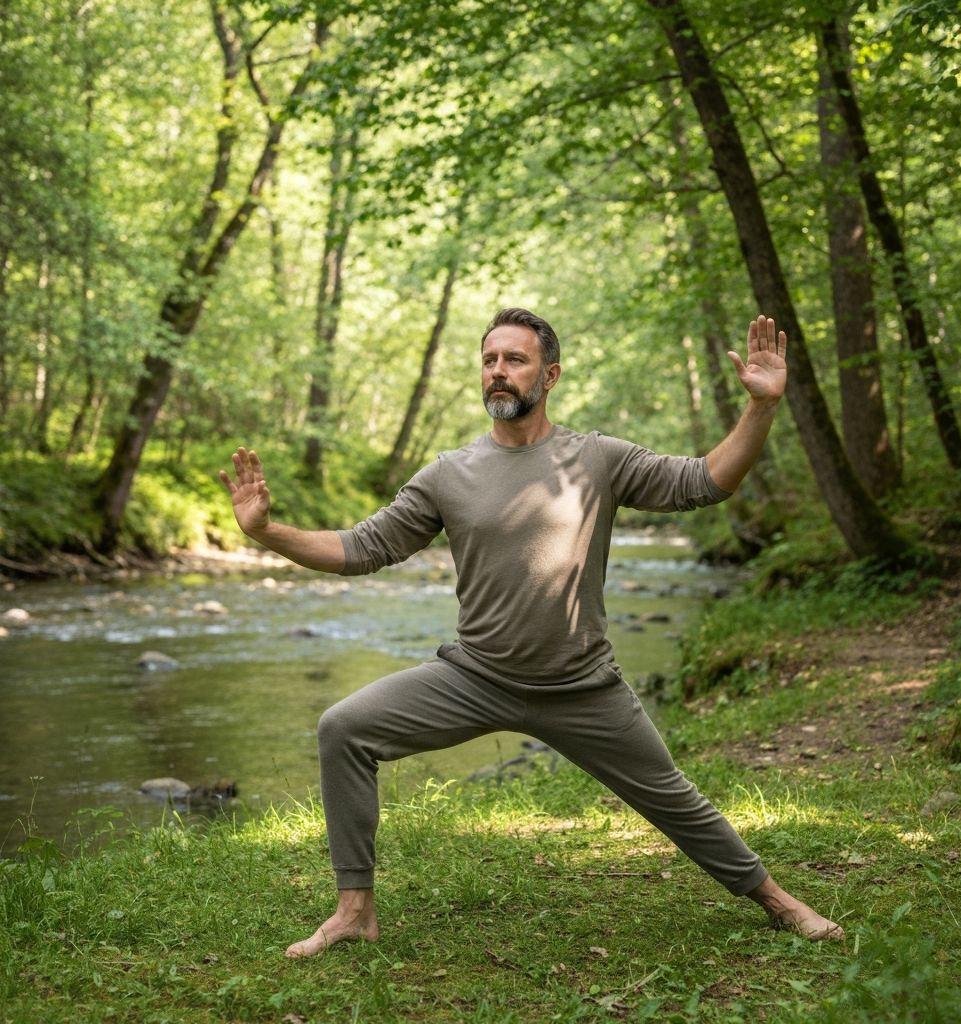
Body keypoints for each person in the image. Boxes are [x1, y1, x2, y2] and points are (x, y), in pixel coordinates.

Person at [219, 308, 845, 957]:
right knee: (343, 728)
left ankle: (779, 901)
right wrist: (267, 533)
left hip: (581, 686)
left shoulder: (596, 458)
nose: (498, 371)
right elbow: (362, 546)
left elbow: (705, 481)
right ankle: (354, 911)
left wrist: (762, 409)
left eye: (514, 359)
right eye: (489, 359)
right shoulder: (447, 474)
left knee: (675, 800)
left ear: (549, 374)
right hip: (476, 678)